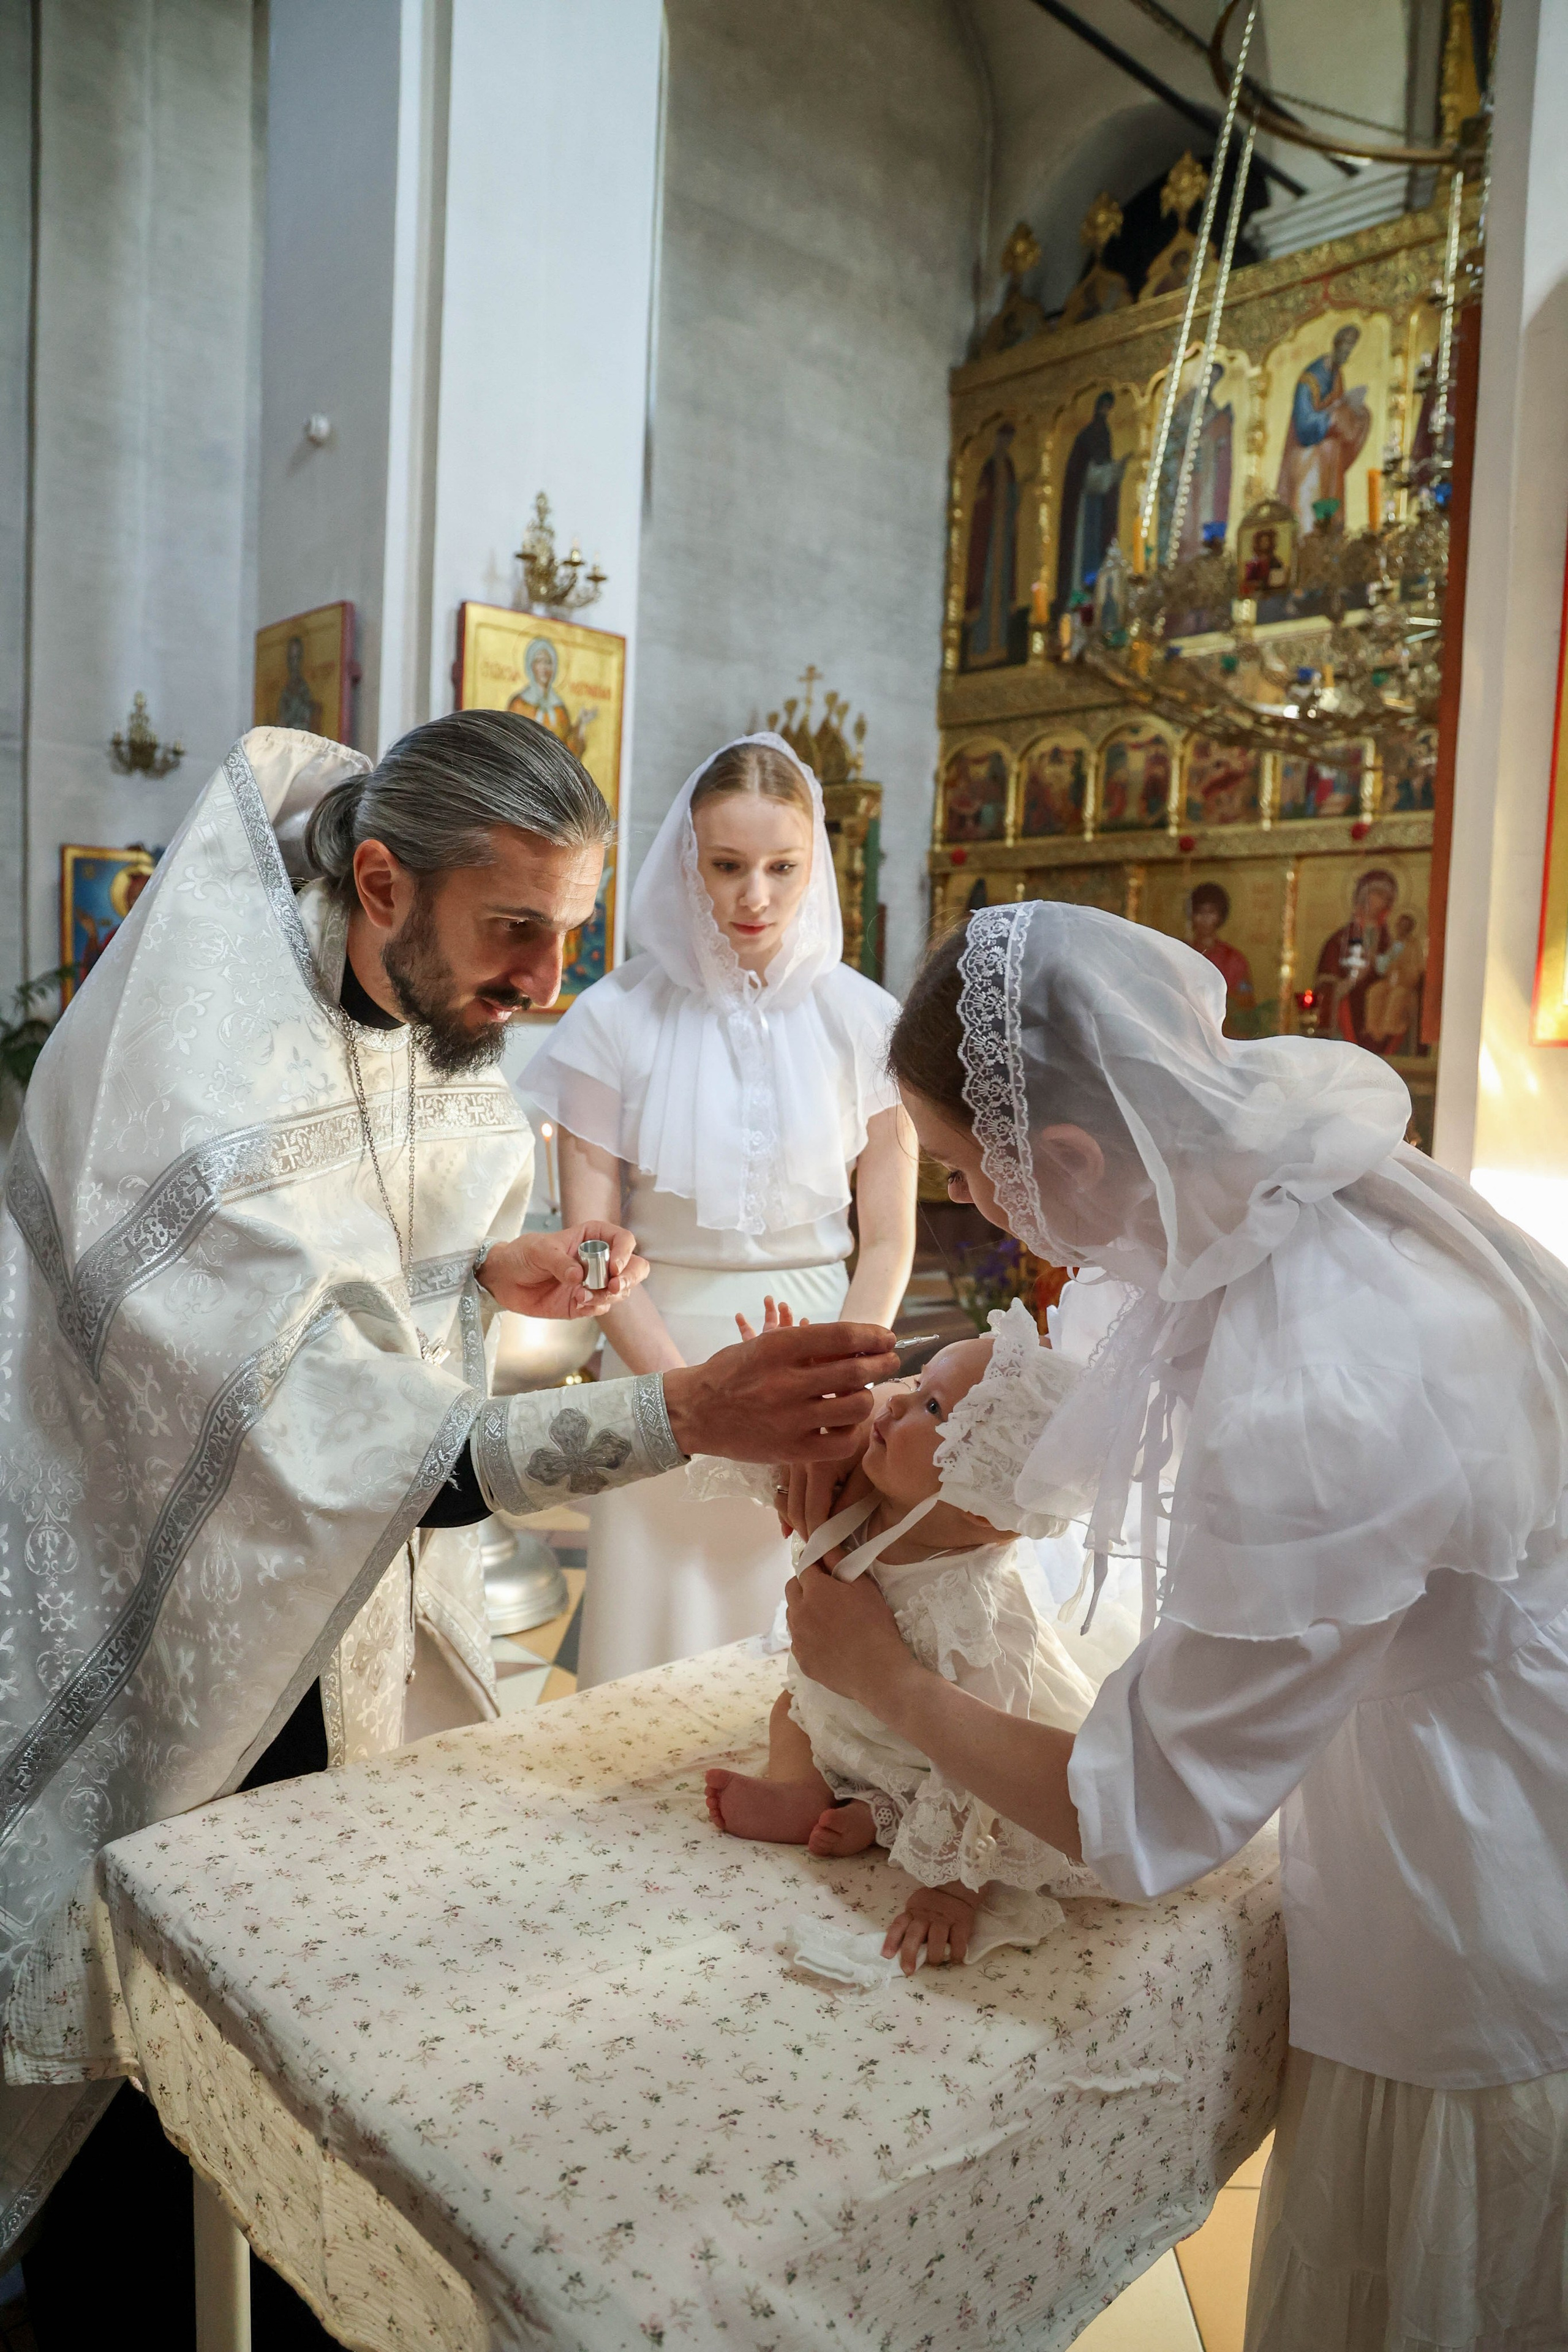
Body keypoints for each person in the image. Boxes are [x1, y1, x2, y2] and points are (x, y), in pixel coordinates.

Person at [0, 714, 897, 2328]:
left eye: (574, 932)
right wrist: (682, 1414)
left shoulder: (406, 988)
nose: (549, 984)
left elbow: (354, 1270)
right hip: (158, 1609)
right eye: (517, 934)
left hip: (310, 1594)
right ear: (381, 881)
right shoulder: (203, 1061)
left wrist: (479, 1273)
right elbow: (304, 1417)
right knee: (149, 2073)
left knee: (287, 2009)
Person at [786, 899, 1568, 2352]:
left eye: (970, 1171)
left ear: (1064, 1156)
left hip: (1471, 1851)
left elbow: (1143, 1809)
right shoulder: (1232, 1178)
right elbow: (1066, 1390)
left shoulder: (1313, 1388)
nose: (976, 1203)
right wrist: (887, 1427)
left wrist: (879, 1673)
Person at [527, 732, 914, 1684]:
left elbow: (891, 1235)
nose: (756, 898)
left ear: (815, 865)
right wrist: (689, 1408)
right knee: (656, 1649)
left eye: (784, 868)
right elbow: (592, 1252)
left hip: (825, 1349)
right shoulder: (612, 1020)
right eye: (728, 866)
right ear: (687, 861)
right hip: (658, 1353)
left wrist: (836, 1387)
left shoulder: (866, 1022)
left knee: (799, 1652)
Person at [705, 1301, 1096, 1973]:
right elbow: (783, 1472)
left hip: (940, 1755)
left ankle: (884, 1809)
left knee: (932, 1781)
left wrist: (950, 1891)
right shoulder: (871, 1496)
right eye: (916, 1387)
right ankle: (805, 1788)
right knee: (789, 1711)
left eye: (933, 1410)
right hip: (841, 1705)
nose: (893, 1407)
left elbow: (983, 1769)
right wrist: (786, 1409)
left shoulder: (976, 1612)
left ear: (983, 1501)